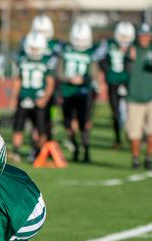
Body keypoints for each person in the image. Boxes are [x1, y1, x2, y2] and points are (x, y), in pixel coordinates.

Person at [10, 32, 55, 162]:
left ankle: (37, 151)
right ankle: (16, 151)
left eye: (37, 48)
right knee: (18, 126)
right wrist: (14, 96)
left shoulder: (48, 59)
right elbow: (18, 79)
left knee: (40, 128)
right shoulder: (22, 58)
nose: (34, 51)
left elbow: (51, 83)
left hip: (39, 97)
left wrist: (45, 98)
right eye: (32, 48)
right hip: (24, 96)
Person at [58, 20, 99, 163]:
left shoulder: (91, 52)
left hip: (84, 93)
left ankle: (86, 151)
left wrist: (84, 80)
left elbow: (94, 74)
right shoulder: (65, 50)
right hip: (67, 92)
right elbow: (59, 72)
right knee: (68, 123)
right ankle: (75, 148)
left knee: (84, 123)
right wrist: (69, 79)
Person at [125, 23, 152, 171]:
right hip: (134, 97)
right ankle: (135, 158)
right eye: (142, 35)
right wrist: (130, 60)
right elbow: (126, 70)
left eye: (147, 35)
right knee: (134, 131)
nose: (144, 38)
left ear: (151, 37)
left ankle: (149, 157)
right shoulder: (131, 51)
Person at [99, 21, 135, 149]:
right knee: (115, 112)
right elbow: (100, 59)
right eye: (122, 36)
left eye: (127, 36)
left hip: (129, 82)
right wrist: (108, 71)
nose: (124, 39)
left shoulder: (134, 47)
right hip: (113, 83)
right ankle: (117, 139)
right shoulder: (108, 44)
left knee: (132, 111)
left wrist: (131, 58)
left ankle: (133, 136)